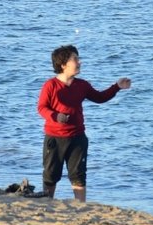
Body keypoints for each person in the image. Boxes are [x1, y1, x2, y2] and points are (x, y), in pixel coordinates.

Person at [37, 45, 131, 202]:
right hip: (54, 138)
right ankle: (47, 203)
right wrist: (55, 116)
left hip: (77, 137)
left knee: (78, 175)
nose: (79, 62)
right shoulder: (50, 85)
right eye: (75, 59)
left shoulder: (82, 85)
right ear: (63, 65)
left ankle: (81, 207)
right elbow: (42, 107)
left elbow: (100, 97)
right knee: (51, 175)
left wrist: (117, 87)